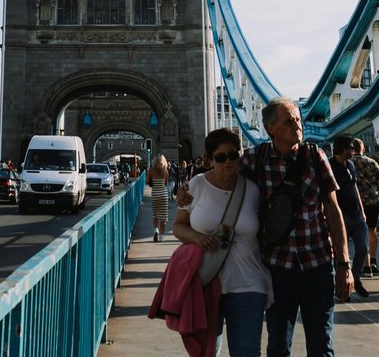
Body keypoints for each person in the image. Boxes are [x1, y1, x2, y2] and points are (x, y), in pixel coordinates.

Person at [177, 97, 351, 357]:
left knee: (322, 346)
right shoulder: (254, 160)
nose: (297, 125)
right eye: (289, 121)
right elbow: (221, 174)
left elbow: (333, 211)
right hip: (277, 268)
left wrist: (345, 264)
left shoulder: (316, 156)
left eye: (297, 119)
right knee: (278, 346)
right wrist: (187, 190)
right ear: (271, 128)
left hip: (318, 264)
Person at [172, 128, 271, 357]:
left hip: (249, 283)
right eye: (220, 157)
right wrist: (197, 237)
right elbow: (178, 226)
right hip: (206, 282)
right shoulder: (195, 186)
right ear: (209, 159)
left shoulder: (254, 190)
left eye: (233, 155)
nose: (228, 162)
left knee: (247, 353)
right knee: (206, 352)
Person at [329, 137, 371, 299]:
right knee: (340, 254)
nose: (353, 152)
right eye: (350, 149)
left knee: (363, 249)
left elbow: (354, 187)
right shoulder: (330, 166)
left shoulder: (351, 165)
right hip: (341, 216)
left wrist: (362, 210)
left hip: (357, 215)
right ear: (342, 149)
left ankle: (356, 278)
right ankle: (341, 286)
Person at [352, 139, 379, 278]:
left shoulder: (349, 162)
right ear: (363, 148)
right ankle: (374, 260)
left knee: (360, 232)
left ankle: (366, 265)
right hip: (373, 201)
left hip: (355, 202)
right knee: (372, 230)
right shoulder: (373, 163)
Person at [150, 154, 171, 242]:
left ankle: (156, 230)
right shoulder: (166, 171)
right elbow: (165, 184)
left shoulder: (151, 170)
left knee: (155, 215)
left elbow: (147, 182)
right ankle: (162, 237)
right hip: (163, 194)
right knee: (163, 217)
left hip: (155, 194)